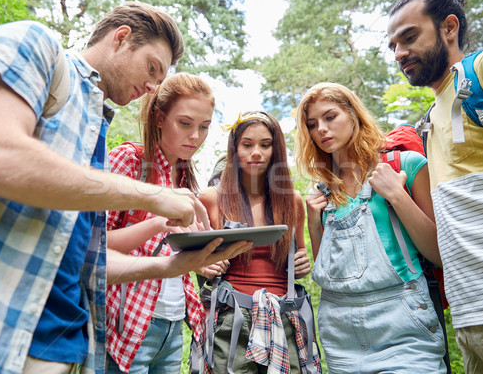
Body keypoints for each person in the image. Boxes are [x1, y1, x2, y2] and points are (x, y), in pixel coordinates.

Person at [0, 2, 248, 374]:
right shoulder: (33, 41)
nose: (151, 87)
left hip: (59, 342)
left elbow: (87, 260)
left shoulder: (96, 128)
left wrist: (170, 265)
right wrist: (153, 197)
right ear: (121, 38)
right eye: (152, 68)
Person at [387, 0, 483, 373]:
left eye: (409, 37)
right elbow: (443, 244)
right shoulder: (428, 122)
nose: (399, 53)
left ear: (449, 27)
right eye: (393, 45)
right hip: (472, 314)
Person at [294, 82, 446, 373]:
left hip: (403, 326)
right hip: (340, 334)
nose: (322, 129)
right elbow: (329, 273)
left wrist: (397, 195)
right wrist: (314, 224)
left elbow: (439, 253)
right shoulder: (324, 192)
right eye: (312, 124)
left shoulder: (407, 165)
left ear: (353, 115)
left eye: (330, 117)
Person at [105, 72, 230, 373]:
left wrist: (199, 262)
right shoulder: (130, 160)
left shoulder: (187, 177)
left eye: (204, 127)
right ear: (159, 118)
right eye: (185, 123)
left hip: (173, 326)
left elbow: (169, 252)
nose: (195, 136)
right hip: (126, 324)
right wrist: (158, 222)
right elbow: (93, 243)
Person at [198, 110, 323, 374]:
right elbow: (194, 259)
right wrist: (203, 265)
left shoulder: (292, 202)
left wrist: (301, 262)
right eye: (247, 145)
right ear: (234, 149)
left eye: (265, 145)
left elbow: (298, 255)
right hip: (230, 319)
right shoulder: (212, 198)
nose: (257, 152)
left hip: (285, 317)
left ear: (275, 151)